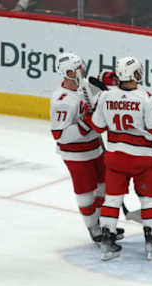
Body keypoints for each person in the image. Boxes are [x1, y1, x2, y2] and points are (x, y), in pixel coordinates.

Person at [86, 56, 152, 261]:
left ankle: (107, 242)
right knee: (149, 200)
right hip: (143, 159)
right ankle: (151, 241)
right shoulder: (146, 98)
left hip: (115, 159)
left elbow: (97, 127)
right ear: (135, 74)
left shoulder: (106, 97)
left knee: (112, 200)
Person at [50, 53, 123, 245]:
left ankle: (102, 223)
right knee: (85, 193)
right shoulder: (62, 100)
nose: (83, 69)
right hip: (76, 155)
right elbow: (60, 136)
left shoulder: (84, 87)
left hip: (95, 147)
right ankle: (93, 228)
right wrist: (87, 124)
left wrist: (107, 80)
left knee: (104, 186)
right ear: (68, 72)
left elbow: (100, 95)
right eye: (78, 67)